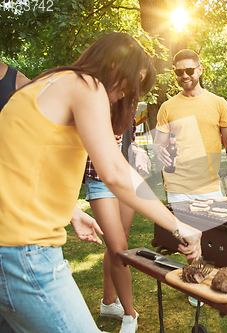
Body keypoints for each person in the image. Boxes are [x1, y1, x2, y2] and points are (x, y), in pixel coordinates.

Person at [0, 32, 201, 333]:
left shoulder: (48, 83)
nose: (123, 95)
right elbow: (116, 174)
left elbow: (20, 162)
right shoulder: (87, 86)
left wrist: (71, 211)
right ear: (115, 66)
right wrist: (178, 225)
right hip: (23, 251)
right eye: (130, 84)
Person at [153, 49, 227, 307]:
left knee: (214, 236)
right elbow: (159, 145)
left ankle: (221, 278)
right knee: (190, 237)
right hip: (179, 184)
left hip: (210, 182)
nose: (184, 76)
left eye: (189, 70)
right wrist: (161, 151)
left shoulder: (218, 103)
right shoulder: (167, 107)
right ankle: (197, 281)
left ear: (200, 70)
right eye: (179, 72)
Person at [84, 120, 151, 333]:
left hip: (125, 178)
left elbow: (128, 142)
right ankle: (130, 314)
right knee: (119, 248)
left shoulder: (127, 105)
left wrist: (138, 152)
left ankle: (108, 303)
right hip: (99, 179)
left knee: (118, 243)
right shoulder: (90, 98)